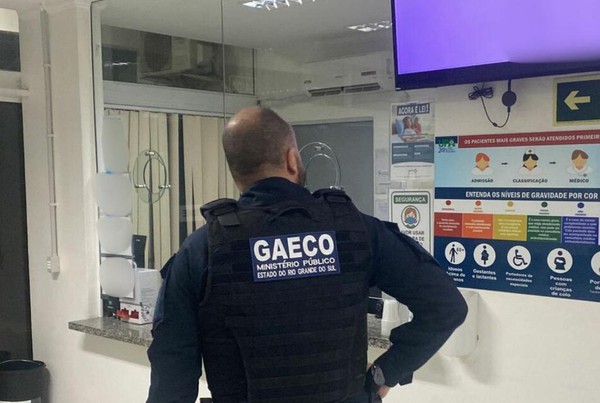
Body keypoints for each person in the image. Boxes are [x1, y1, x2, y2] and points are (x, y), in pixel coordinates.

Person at [147, 106, 467, 403]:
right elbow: (446, 306)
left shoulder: (201, 250)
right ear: (291, 159)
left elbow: (171, 374)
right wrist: (386, 371)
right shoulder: (358, 231)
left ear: (235, 170)